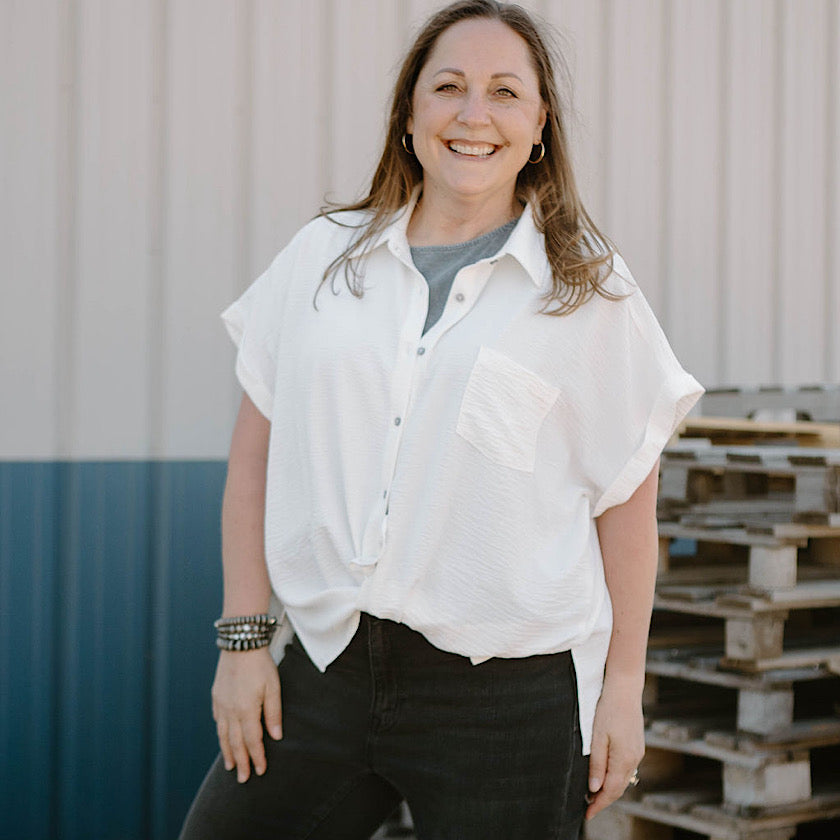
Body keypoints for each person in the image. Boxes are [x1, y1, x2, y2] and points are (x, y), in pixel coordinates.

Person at [179, 1, 704, 838]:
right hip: (330, 664)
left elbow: (626, 503)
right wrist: (244, 643)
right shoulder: (323, 260)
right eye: (449, 87)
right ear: (410, 115)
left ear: (538, 129)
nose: (472, 114)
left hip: (507, 701)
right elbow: (253, 463)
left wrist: (622, 693)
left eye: (504, 92)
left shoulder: (589, 293)